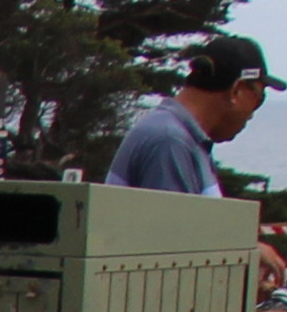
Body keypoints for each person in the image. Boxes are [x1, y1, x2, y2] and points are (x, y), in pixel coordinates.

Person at [110, 38, 275, 195]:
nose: (252, 115)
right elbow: (170, 223)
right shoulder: (170, 141)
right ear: (236, 91)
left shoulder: (180, 137)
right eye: (258, 99)